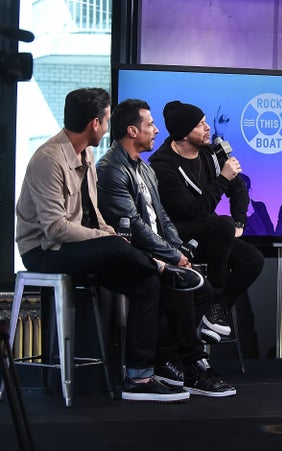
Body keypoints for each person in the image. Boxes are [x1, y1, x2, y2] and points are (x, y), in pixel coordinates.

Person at [15, 88, 202, 402]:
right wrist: (109, 239)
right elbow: (55, 228)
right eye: (106, 120)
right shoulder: (49, 160)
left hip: (78, 247)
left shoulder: (86, 154)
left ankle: (139, 379)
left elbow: (94, 213)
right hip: (44, 252)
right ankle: (161, 267)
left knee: (145, 282)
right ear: (94, 124)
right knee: (120, 249)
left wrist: (109, 234)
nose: (107, 126)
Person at [96, 98, 236, 397]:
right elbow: (133, 225)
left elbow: (162, 218)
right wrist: (172, 256)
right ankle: (190, 363)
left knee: (204, 289)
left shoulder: (144, 170)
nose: (157, 131)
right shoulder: (111, 168)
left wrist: (178, 250)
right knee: (180, 286)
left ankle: (170, 359)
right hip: (131, 252)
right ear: (133, 131)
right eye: (150, 125)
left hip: (158, 250)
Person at [149, 100, 264, 344]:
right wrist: (222, 179)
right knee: (221, 224)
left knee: (252, 259)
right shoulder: (163, 165)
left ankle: (215, 309)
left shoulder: (211, 154)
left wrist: (240, 221)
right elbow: (193, 210)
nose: (207, 128)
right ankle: (214, 297)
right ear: (183, 132)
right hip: (177, 234)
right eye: (200, 124)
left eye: (205, 122)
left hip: (210, 232)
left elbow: (239, 189)